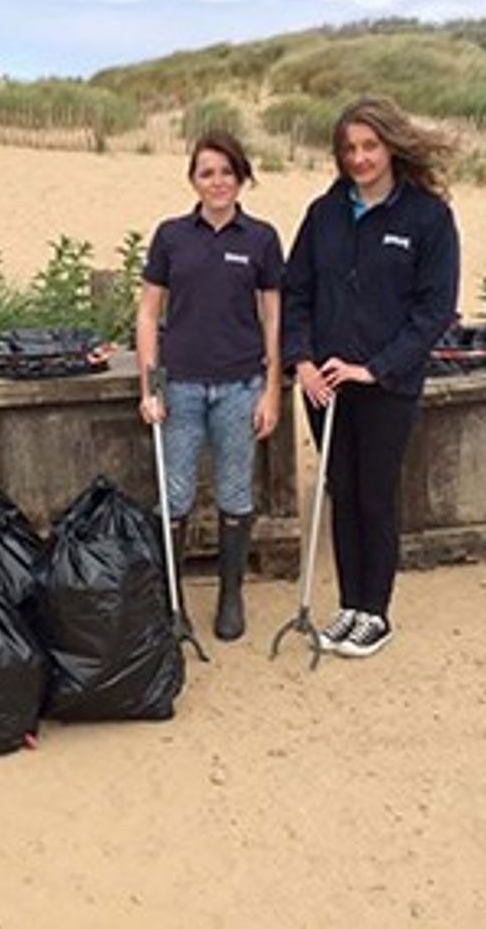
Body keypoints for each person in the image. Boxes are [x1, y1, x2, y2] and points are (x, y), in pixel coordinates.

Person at [283, 96, 459, 658]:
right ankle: (350, 607)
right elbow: (296, 293)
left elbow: (434, 312)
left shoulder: (428, 217)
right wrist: (303, 362)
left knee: (375, 496)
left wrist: (374, 367)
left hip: (386, 386)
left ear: (390, 147)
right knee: (342, 492)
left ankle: (375, 613)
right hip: (324, 387)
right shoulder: (325, 213)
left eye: (369, 147)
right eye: (349, 149)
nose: (359, 158)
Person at [137, 130, 283, 642]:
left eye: (227, 171)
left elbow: (272, 316)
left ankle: (231, 595)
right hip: (180, 388)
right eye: (207, 173)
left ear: (241, 177)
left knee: (235, 491)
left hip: (240, 386)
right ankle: (172, 602)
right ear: (193, 180)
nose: (217, 181)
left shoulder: (261, 238)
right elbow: (149, 310)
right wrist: (149, 386)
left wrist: (271, 391)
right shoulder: (172, 235)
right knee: (174, 495)